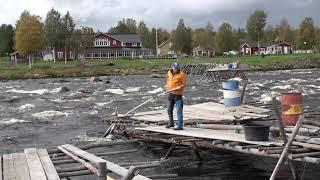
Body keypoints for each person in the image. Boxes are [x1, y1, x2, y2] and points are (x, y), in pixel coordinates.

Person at [165, 62, 186, 130]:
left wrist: (178, 87)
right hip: (170, 94)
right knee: (169, 109)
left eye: (177, 67)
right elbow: (168, 81)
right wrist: (167, 87)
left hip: (178, 95)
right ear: (172, 67)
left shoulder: (182, 74)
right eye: (174, 67)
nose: (176, 69)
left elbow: (183, 84)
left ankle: (180, 126)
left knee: (179, 111)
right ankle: (171, 123)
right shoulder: (169, 72)